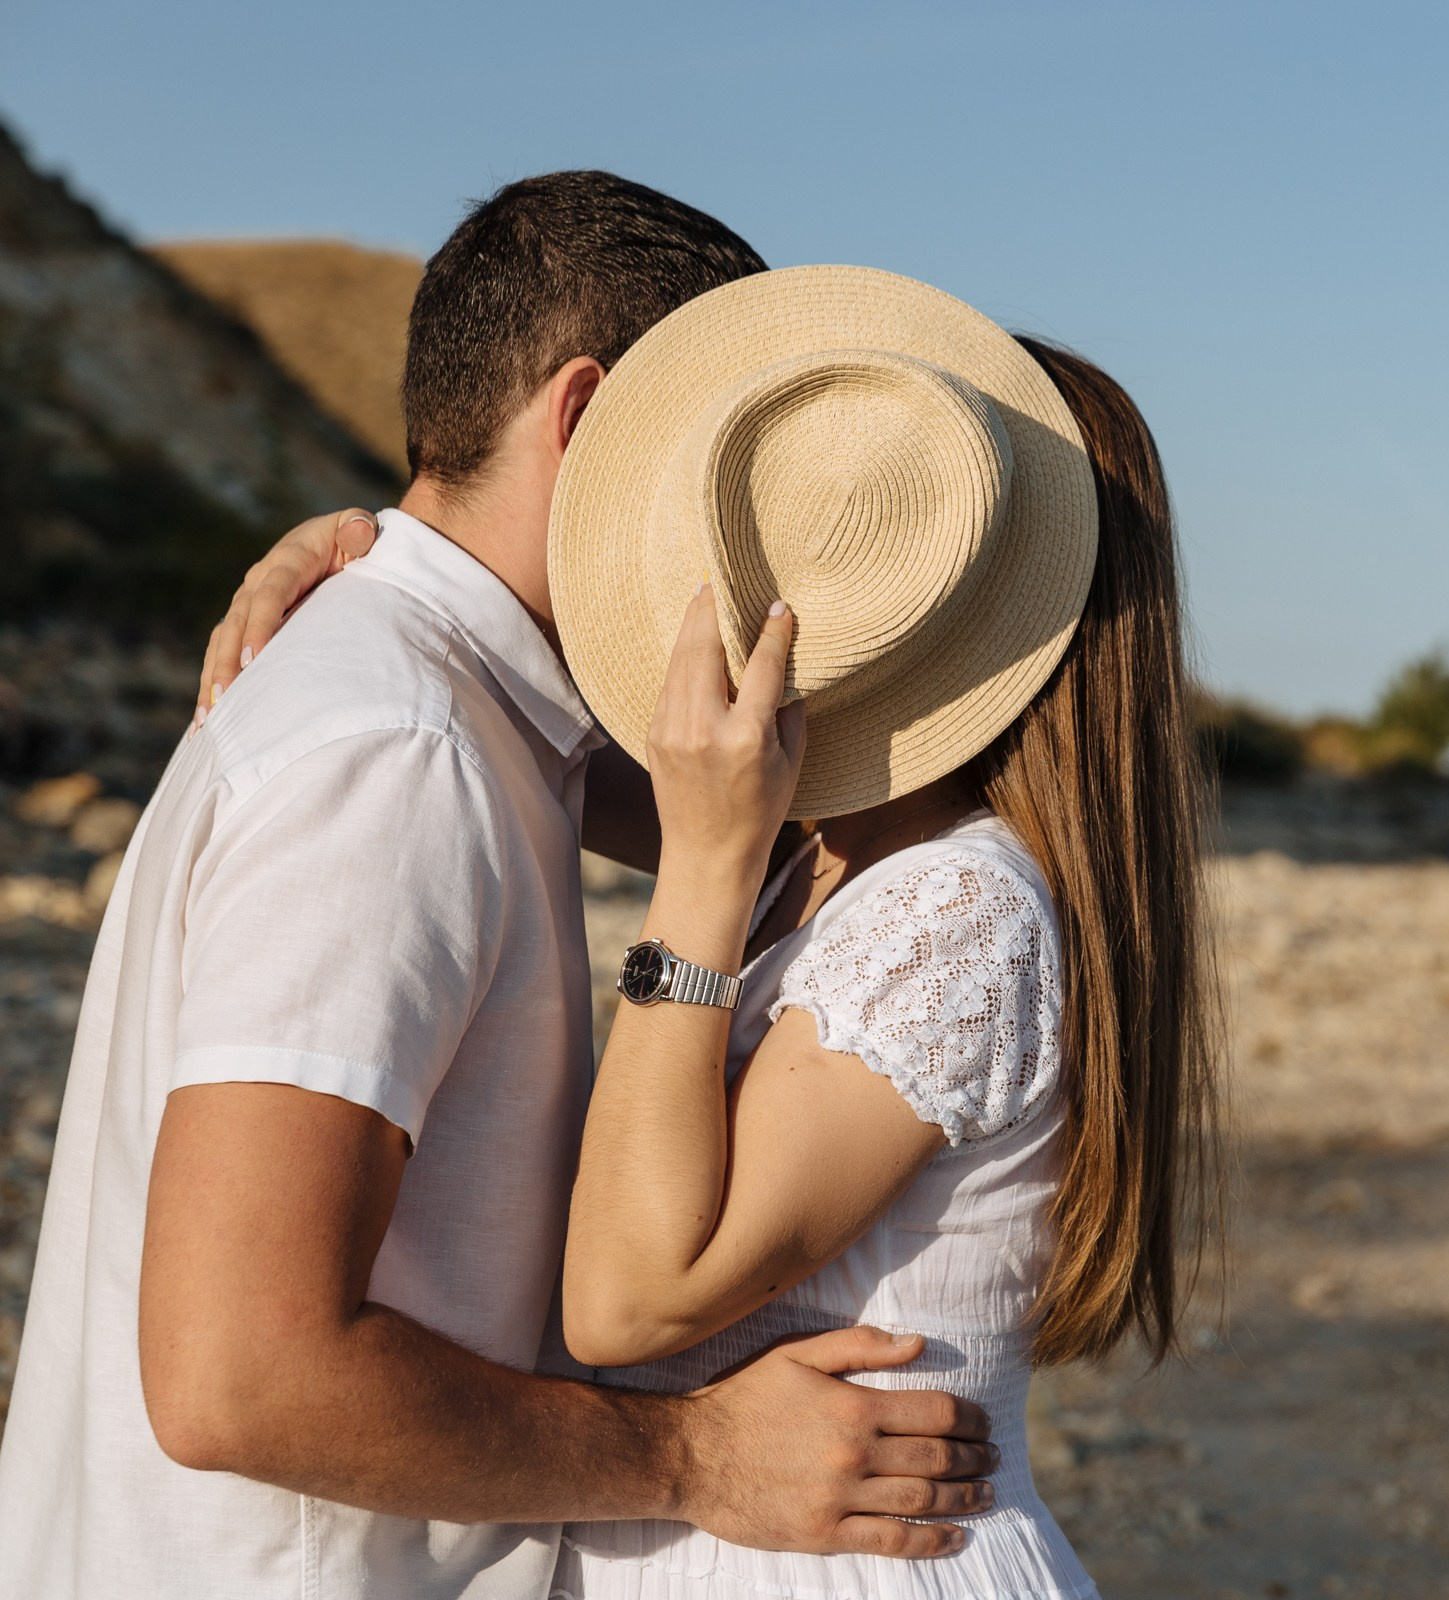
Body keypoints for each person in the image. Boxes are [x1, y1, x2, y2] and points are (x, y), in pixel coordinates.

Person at [0, 180, 994, 1600]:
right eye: (727, 471)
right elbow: (239, 1376)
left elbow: (780, 825)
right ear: (587, 423)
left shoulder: (449, 714)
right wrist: (694, 1460)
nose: (751, 536)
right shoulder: (397, 753)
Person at [201, 265, 1222, 1600]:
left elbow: (629, 1298)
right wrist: (372, 568)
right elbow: (536, 730)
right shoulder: (843, 852)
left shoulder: (958, 910)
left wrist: (702, 870)